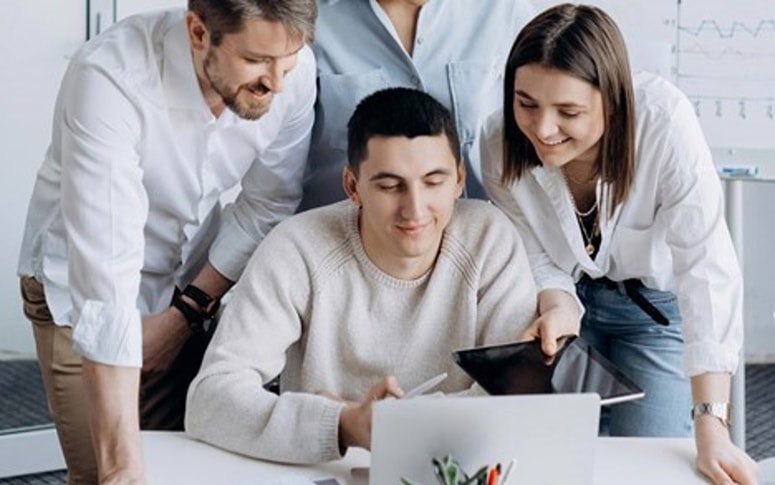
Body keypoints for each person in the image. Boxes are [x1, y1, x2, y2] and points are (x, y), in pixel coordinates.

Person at [17, 1, 317, 483]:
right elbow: (106, 280)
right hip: (80, 294)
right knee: (106, 473)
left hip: (188, 283)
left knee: (184, 467)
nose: (277, 83)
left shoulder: (289, 73)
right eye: (258, 61)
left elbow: (269, 203)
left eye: (290, 60)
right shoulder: (110, 77)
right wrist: (121, 467)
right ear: (199, 33)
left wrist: (185, 314)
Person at [479, 4, 758, 484]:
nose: (542, 130)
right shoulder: (498, 140)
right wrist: (559, 303)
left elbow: (705, 266)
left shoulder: (664, 123)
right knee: (538, 461)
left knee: (652, 465)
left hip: (657, 315)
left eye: (568, 112)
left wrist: (711, 419)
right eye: (526, 103)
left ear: (613, 102)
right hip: (568, 308)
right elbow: (531, 248)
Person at [185, 87, 538, 463]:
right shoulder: (298, 248)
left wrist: (391, 424)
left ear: (459, 180)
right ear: (353, 186)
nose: (414, 209)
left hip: (457, 470)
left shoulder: (489, 239)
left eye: (433, 182)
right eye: (390, 186)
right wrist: (345, 423)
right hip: (325, 471)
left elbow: (516, 401)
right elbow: (210, 399)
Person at [296, 0, 536, 211]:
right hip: (338, 235)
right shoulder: (309, 16)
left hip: (475, 235)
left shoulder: (504, 9)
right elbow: (277, 166)